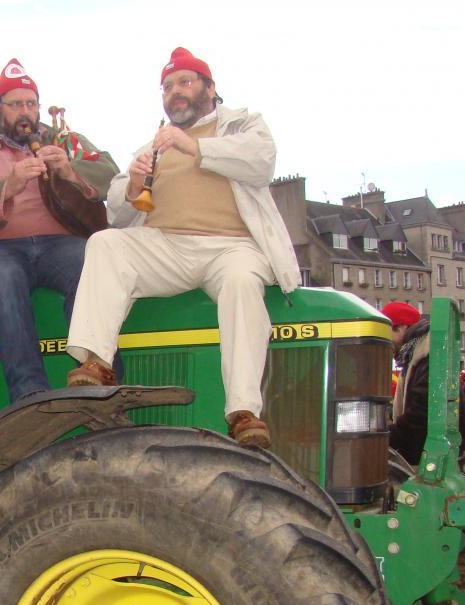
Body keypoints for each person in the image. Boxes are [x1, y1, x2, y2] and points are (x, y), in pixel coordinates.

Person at [65, 47, 300, 448]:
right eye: (168, 86)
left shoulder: (242, 125)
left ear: (210, 89)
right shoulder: (152, 144)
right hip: (166, 246)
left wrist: (193, 146)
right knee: (106, 244)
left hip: (231, 247)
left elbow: (262, 161)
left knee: (243, 282)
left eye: (185, 82)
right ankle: (97, 361)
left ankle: (244, 413)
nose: (175, 92)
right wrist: (134, 185)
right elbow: (117, 212)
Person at [0, 59, 118, 402]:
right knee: (4, 274)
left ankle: (102, 381)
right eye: (16, 104)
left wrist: (68, 170)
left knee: (93, 261)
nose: (26, 112)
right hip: (1, 249)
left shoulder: (65, 141)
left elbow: (111, 173)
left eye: (31, 104)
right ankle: (30, 395)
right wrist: (10, 185)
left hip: (59, 246)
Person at [385, 301, 465, 466]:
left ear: (401, 328)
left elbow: (423, 410)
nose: (385, 341)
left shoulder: (429, 357)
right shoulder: (416, 355)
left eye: (386, 333)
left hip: (437, 458)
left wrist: (388, 436)